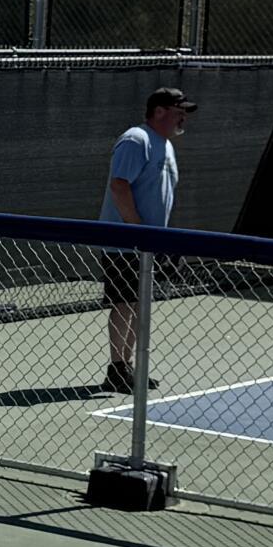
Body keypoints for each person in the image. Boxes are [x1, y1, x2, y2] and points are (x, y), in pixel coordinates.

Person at [99, 87, 194, 394]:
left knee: (140, 305)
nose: (183, 120)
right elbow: (119, 186)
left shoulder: (165, 145)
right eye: (179, 113)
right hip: (125, 240)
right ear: (160, 111)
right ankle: (117, 368)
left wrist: (157, 239)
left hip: (147, 243)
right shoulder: (136, 140)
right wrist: (137, 229)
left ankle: (125, 368)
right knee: (125, 302)